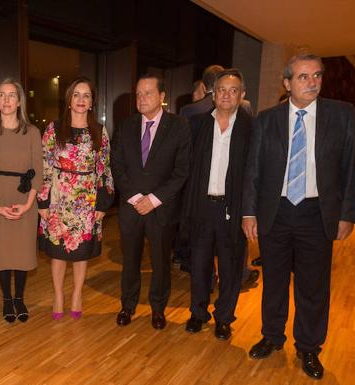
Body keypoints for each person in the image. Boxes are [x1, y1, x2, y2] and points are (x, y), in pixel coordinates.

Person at [242, 52, 355, 380]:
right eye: (303, 77)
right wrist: (249, 211)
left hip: (316, 213)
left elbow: (351, 167)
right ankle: (272, 336)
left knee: (313, 286)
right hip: (275, 212)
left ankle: (309, 348)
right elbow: (253, 169)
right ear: (287, 83)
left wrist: (347, 213)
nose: (313, 82)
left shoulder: (341, 115)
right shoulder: (267, 119)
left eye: (317, 75)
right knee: (275, 281)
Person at [111, 74, 191, 330]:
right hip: (131, 207)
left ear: (162, 97)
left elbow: (182, 171)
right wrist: (136, 198)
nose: (141, 98)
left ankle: (158, 308)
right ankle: (128, 305)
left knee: (160, 263)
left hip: (162, 209)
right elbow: (118, 166)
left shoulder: (179, 126)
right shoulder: (125, 126)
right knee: (130, 261)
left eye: (147, 93)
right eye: (138, 94)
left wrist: (153, 200)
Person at [181, 69, 253, 340]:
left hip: (233, 209)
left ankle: (224, 317)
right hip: (202, 206)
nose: (226, 94)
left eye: (233, 90)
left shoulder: (251, 128)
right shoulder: (197, 125)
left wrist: (250, 212)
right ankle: (198, 313)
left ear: (242, 95)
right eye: (221, 89)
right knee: (198, 264)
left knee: (231, 266)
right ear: (213, 94)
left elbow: (255, 174)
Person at [38, 76, 114, 320]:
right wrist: (42, 201)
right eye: (76, 95)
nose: (81, 100)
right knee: (59, 252)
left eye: (87, 95)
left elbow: (104, 169)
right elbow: (44, 165)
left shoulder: (99, 132)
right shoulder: (53, 128)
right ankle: (59, 295)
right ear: (69, 100)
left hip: (87, 202)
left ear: (92, 102)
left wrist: (102, 203)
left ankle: (77, 295)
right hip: (59, 199)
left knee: (81, 252)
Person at [0, 78, 42, 323]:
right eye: (1, 95)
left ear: (19, 101)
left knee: (22, 253)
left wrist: (27, 204)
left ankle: (20, 298)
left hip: (25, 199)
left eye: (11, 95)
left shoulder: (32, 132)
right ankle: (6, 299)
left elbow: (39, 171)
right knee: (2, 253)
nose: (6, 100)